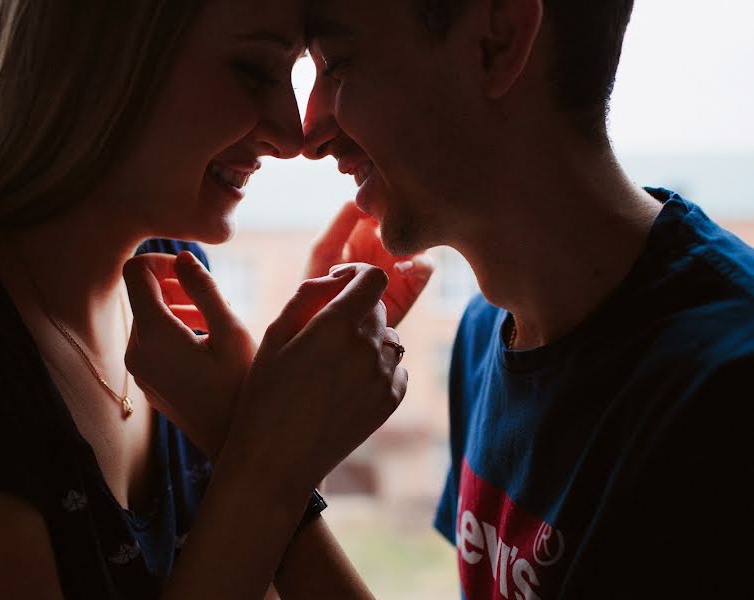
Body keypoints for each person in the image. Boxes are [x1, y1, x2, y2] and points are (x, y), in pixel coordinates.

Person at [0, 2, 423, 598]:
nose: (292, 136)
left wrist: (262, 429)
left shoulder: (172, 288)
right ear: (90, 64)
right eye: (253, 70)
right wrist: (268, 457)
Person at [302, 0, 754, 597]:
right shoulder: (483, 333)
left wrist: (267, 472)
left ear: (498, 39)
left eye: (338, 62)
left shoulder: (726, 395)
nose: (309, 130)